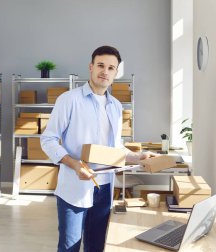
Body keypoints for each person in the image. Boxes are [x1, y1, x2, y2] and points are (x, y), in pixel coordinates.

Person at [41, 45, 156, 252]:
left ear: (116, 73)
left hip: (104, 189)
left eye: (111, 68)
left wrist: (138, 157)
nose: (105, 71)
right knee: (70, 246)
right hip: (75, 188)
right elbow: (48, 139)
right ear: (91, 67)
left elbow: (115, 148)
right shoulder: (69, 100)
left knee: (96, 246)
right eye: (101, 65)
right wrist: (74, 164)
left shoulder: (116, 106)